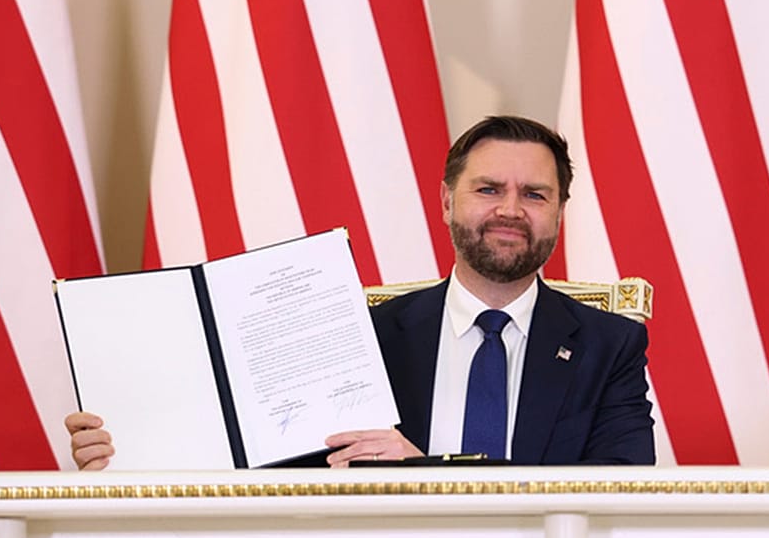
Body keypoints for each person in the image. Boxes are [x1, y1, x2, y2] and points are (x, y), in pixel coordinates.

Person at [67, 115, 655, 469]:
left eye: (534, 194)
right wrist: (133, 452)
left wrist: (422, 475)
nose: (509, 209)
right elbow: (284, 471)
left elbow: (619, 490)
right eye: (487, 189)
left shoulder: (612, 345)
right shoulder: (362, 332)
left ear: (559, 214)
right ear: (448, 201)